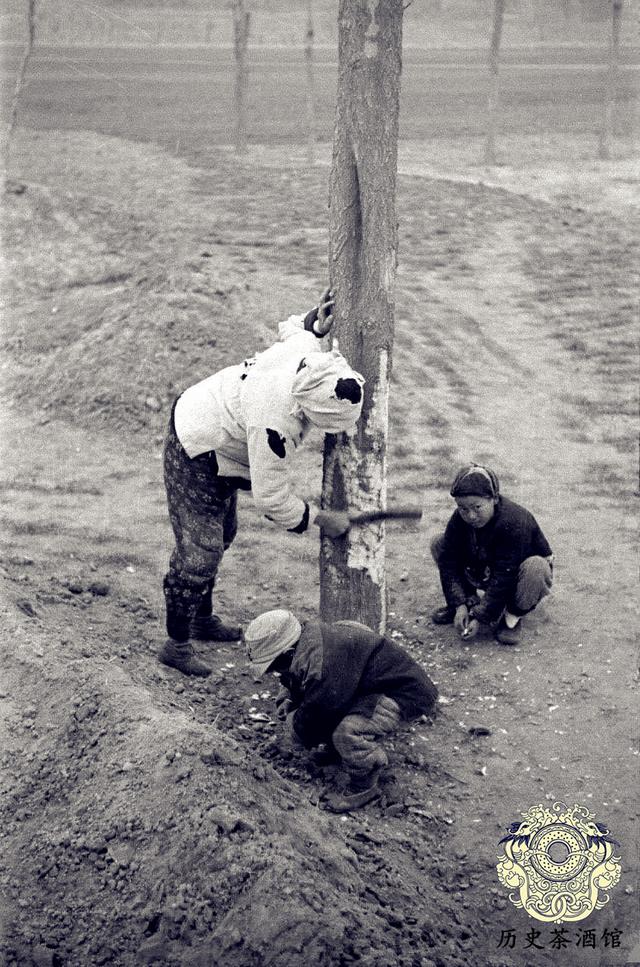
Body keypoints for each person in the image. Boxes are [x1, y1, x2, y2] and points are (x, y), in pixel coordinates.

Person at [159, 289, 364, 678]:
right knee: (200, 550)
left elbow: (295, 330)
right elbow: (271, 500)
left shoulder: (312, 358)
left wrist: (314, 321)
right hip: (197, 443)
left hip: (224, 435)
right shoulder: (274, 423)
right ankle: (177, 644)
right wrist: (321, 519)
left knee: (222, 534)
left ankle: (202, 620)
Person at [244, 610, 438, 813]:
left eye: (274, 666)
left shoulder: (323, 663)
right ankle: (338, 752)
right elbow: (299, 677)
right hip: (365, 685)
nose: (274, 672)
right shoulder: (307, 640)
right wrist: (289, 697)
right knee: (330, 709)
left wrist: (295, 728)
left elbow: (317, 713)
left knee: (346, 733)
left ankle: (364, 786)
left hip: (404, 692)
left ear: (288, 653)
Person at [430, 463, 553, 645]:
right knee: (439, 543)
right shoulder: (459, 519)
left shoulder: (516, 521)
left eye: (477, 507)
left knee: (537, 567)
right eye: (463, 508)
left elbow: (505, 575)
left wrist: (481, 617)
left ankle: (511, 617)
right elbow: (448, 561)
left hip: (517, 578)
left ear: (494, 499)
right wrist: (459, 604)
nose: (470, 515)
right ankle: (468, 602)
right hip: (487, 568)